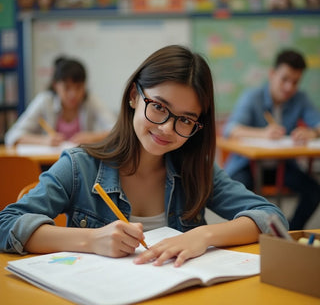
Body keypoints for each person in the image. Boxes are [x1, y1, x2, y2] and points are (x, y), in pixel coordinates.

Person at [0, 45, 287, 267]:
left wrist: (203, 235)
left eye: (185, 120)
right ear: (134, 96)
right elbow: (7, 224)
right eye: (159, 107)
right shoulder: (79, 167)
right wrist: (90, 239)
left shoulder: (196, 169)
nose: (166, 128)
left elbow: (272, 219)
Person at [223, 49, 320, 230]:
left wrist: (312, 133)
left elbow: (318, 123)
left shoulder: (300, 99)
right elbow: (231, 129)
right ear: (272, 74)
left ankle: (289, 232)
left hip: (283, 166)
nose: (289, 87)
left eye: (295, 82)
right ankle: (243, 234)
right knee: (234, 194)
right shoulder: (252, 97)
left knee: (314, 191)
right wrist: (263, 133)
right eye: (285, 79)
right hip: (247, 165)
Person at [5, 57, 116, 146]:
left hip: (81, 164)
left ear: (85, 86)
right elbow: (12, 136)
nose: (73, 94)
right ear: (55, 86)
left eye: (78, 87)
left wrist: (93, 137)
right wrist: (44, 141)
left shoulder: (90, 100)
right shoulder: (44, 100)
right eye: (66, 88)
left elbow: (118, 131)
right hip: (48, 165)